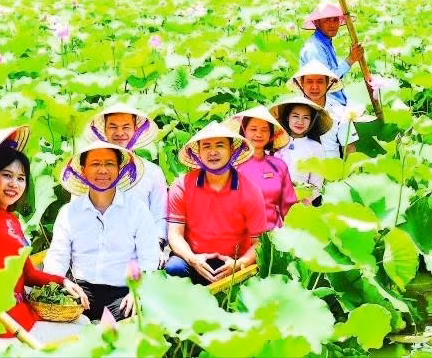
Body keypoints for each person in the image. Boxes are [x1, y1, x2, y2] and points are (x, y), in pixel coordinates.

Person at [0, 126, 90, 343]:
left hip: (22, 314)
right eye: (6, 175)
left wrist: (62, 282)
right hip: (0, 321)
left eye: (21, 178)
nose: (15, 184)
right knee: (84, 334)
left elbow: (29, 274)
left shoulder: (12, 220)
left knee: (84, 323)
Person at [44, 141, 159, 321]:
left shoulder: (137, 210)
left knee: (132, 315)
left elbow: (149, 259)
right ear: (83, 170)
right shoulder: (69, 212)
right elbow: (57, 258)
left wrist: (138, 291)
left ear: (120, 169)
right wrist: (63, 283)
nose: (103, 170)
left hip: (124, 293)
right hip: (81, 292)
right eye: (95, 164)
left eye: (109, 164)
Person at [165, 122, 266, 285]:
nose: (213, 152)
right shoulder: (181, 186)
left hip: (234, 263)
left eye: (220, 145)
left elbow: (258, 242)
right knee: (174, 268)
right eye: (206, 146)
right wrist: (193, 259)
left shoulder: (251, 190)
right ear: (198, 152)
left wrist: (240, 263)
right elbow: (175, 234)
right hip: (194, 258)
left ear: (232, 150)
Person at [84, 103, 168, 263]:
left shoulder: (153, 172)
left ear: (136, 129)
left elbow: (160, 218)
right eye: (113, 127)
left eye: (126, 127)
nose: (120, 133)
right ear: (104, 131)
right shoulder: (90, 173)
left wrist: (155, 246)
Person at [226, 106, 297, 230]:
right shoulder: (231, 166)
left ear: (271, 134)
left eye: (264, 130)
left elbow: (288, 207)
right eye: (253, 129)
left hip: (273, 237)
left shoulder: (279, 166)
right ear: (244, 131)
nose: (259, 134)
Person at [288, 60, 359, 159]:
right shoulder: (290, 108)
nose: (315, 87)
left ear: (328, 84)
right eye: (309, 81)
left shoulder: (339, 110)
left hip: (331, 168)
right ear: (301, 84)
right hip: (299, 169)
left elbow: (349, 147)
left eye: (320, 82)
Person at [270, 96, 333, 206]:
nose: (300, 121)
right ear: (287, 117)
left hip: (300, 205)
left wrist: (302, 201)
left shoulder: (316, 147)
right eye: (295, 116)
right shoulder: (275, 142)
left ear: (311, 121)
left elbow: (316, 185)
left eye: (306, 118)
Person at [299, 1, 365, 106]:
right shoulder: (313, 48)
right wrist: (350, 60)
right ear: (317, 23)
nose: (332, 24)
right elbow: (326, 81)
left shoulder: (325, 43)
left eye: (335, 20)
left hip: (336, 102)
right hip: (325, 106)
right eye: (327, 21)